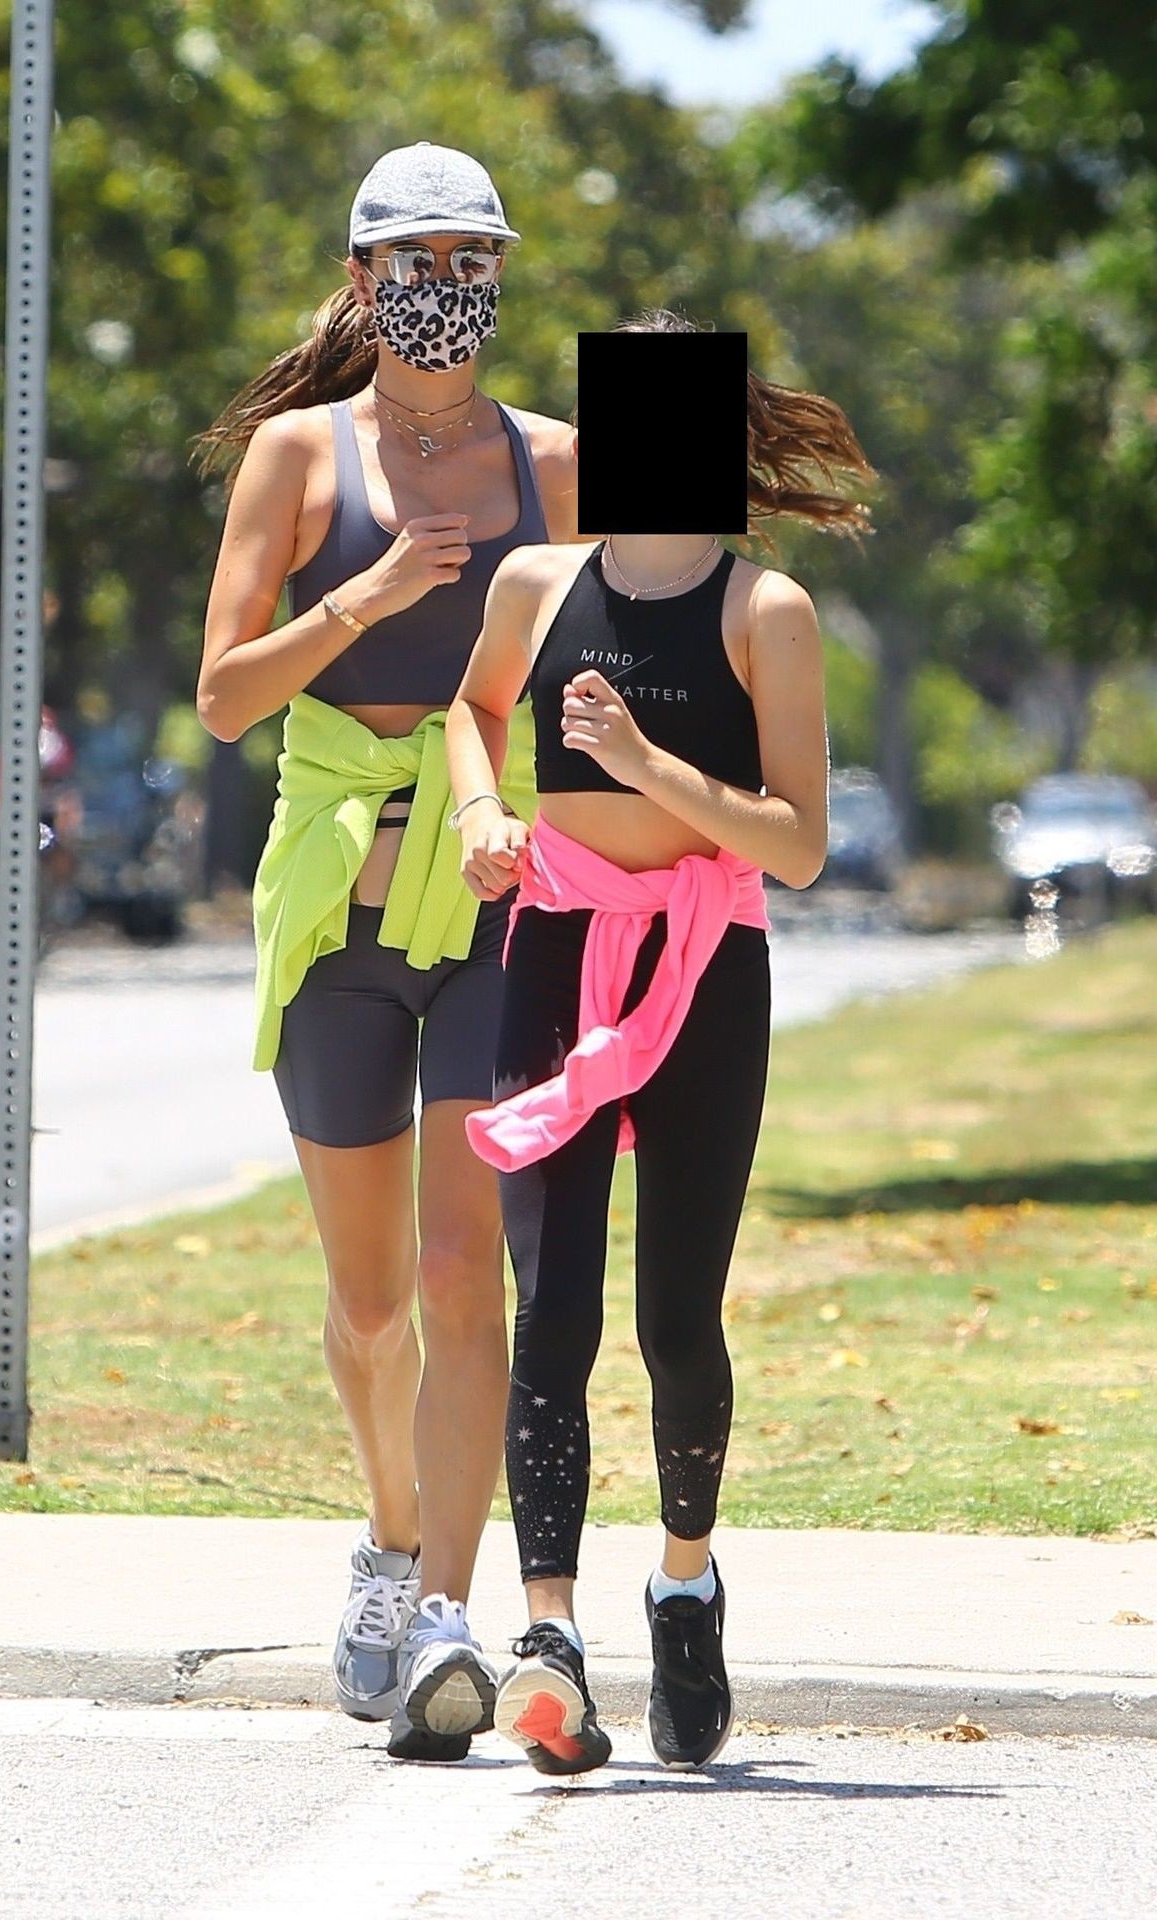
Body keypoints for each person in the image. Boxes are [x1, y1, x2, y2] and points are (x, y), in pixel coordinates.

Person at [194, 143, 585, 1762]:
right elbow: (226, 696)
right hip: (339, 913)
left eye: (473, 258)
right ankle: (387, 1532)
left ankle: (442, 1610)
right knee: (368, 1305)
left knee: (458, 1272)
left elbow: (651, 637)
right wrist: (360, 598)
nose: (446, 287)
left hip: (498, 902)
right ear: (363, 283)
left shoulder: (561, 462)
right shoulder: (297, 456)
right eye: (415, 261)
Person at [445, 309, 876, 1773]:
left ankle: (685, 1590)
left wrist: (643, 763)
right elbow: (471, 710)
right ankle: (549, 1639)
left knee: (677, 1322)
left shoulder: (770, 612)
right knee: (551, 1312)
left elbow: (798, 846)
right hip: (559, 949)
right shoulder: (534, 581)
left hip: (705, 965)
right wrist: (483, 811)